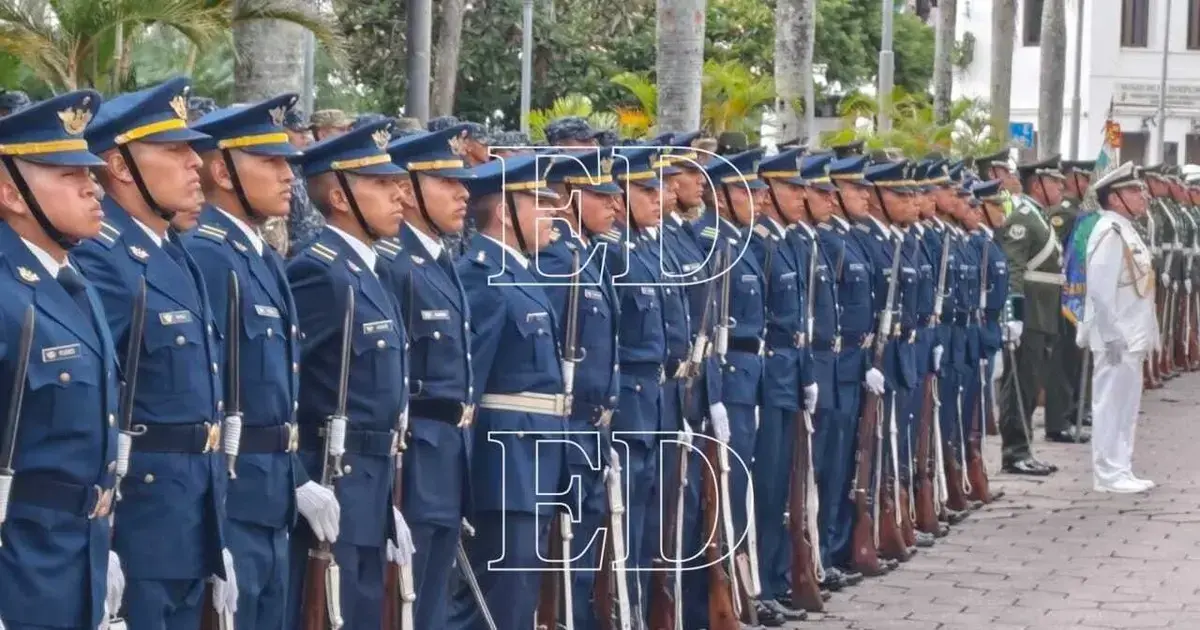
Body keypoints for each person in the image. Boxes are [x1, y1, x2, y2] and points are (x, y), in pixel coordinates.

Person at [73, 76, 233, 630]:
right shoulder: (103, 259)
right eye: (175, 150)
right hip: (136, 523)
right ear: (120, 167)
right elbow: (90, 408)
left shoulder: (171, 251)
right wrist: (102, 536)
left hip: (187, 516)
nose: (196, 163)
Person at [186, 94, 342, 630]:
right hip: (234, 501)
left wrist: (295, 477)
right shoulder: (209, 256)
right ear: (221, 172)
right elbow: (207, 395)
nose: (287, 177)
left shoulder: (259, 256)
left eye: (287, 163)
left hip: (272, 498)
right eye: (270, 162)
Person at [0, 90, 125, 630]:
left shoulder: (74, 283)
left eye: (90, 173)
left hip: (79, 558)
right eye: (69, 175)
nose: (93, 187)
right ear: (10, 193)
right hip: (19, 568)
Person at [284, 120, 414, 630]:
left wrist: (386, 506)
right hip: (334, 482)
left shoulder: (369, 271)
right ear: (339, 197)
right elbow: (282, 383)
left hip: (372, 488)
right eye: (381, 184)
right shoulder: (321, 272)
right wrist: (298, 478)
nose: (399, 194)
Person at [448, 153, 566, 630]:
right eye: (541, 203)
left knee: (517, 600)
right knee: (495, 600)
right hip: (503, 463)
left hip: (533, 456)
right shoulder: (483, 274)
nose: (553, 214)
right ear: (504, 211)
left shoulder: (519, 272)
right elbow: (468, 386)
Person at [375, 125, 475, 630]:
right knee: (403, 603)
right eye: (446, 182)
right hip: (413, 460)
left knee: (432, 601)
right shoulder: (394, 264)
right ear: (408, 190)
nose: (463, 193)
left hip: (448, 455)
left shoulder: (439, 261)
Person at [534, 147, 623, 630]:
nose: (614, 205)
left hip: (593, 428)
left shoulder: (585, 257)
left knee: (585, 552)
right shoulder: (555, 259)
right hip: (567, 427)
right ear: (569, 197)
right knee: (560, 558)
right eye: (601, 196)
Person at [981, 150, 1062, 476]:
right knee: (1019, 385)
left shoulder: (1039, 216)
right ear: (1038, 184)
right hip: (1028, 313)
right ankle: (1014, 452)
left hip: (1043, 313)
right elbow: (1012, 269)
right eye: (1054, 182)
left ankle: (1025, 447)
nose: (1060, 187)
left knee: (1030, 384)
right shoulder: (1023, 219)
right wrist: (1012, 315)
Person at [1079, 162, 1157, 494]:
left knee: (1126, 407)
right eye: (1134, 191)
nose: (1142, 196)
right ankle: (1107, 473)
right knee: (1110, 404)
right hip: (1116, 336)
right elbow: (1099, 289)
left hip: (1131, 335)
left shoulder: (1126, 229)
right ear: (1114, 198)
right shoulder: (1109, 231)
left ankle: (1121, 466)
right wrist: (1111, 335)